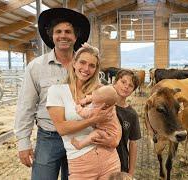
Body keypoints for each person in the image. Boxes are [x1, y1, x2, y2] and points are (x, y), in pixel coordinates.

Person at [14, 8, 90, 180]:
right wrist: (23, 142)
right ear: (51, 36)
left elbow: (99, 96)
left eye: (68, 32)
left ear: (75, 36)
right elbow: (25, 106)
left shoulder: (86, 66)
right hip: (48, 136)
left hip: (79, 136)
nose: (63, 36)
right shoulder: (36, 67)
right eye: (58, 31)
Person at [46, 43, 121, 179]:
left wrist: (113, 141)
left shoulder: (101, 92)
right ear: (74, 63)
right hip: (81, 163)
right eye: (82, 62)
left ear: (96, 69)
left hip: (110, 159)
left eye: (92, 65)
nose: (86, 68)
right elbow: (62, 128)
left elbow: (115, 127)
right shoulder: (56, 91)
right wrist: (93, 120)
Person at [92, 69, 141, 177]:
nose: (126, 86)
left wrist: (131, 172)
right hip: (96, 158)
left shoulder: (132, 114)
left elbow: (133, 143)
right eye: (123, 82)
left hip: (120, 161)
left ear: (133, 90)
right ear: (115, 82)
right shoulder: (101, 104)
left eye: (131, 85)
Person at [71, 85, 121, 150]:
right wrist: (86, 99)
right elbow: (95, 96)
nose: (93, 103)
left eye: (95, 102)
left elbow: (85, 113)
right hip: (114, 130)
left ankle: (80, 144)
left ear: (105, 106)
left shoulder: (101, 111)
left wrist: (78, 107)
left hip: (107, 133)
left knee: (96, 133)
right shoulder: (108, 104)